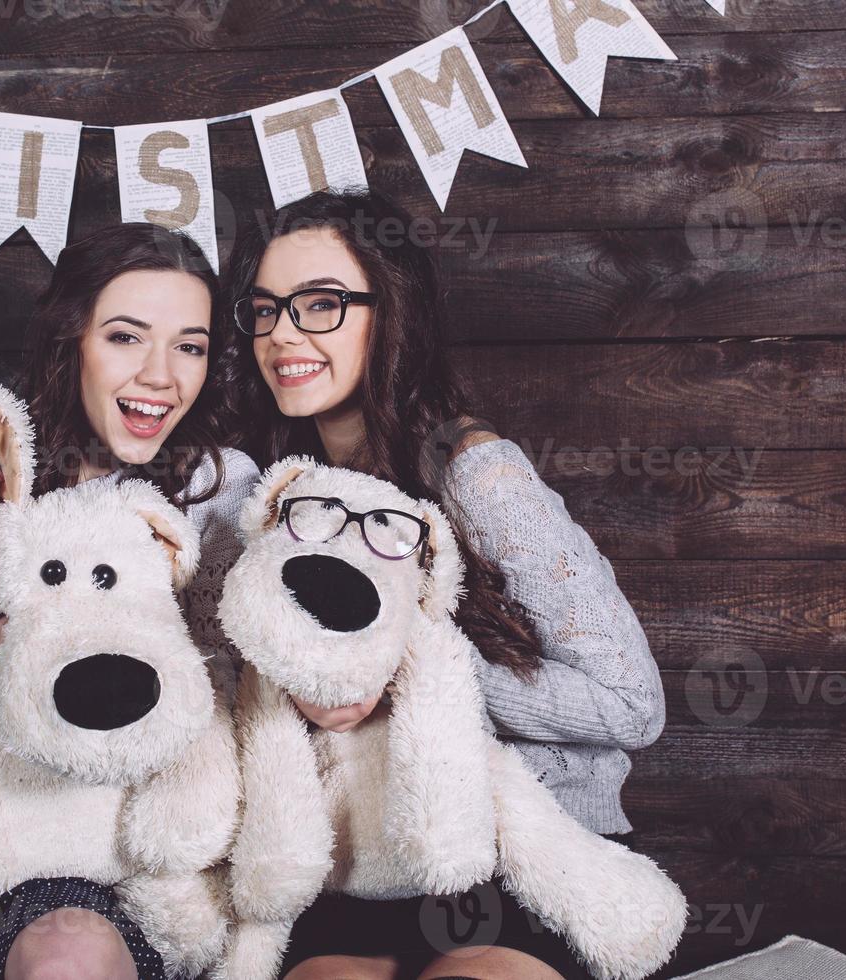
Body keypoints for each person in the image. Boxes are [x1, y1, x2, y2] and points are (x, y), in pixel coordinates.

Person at [217, 188, 666, 980]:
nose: (284, 333)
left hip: (523, 858)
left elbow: (632, 704)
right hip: (355, 869)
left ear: (391, 314)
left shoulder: (473, 473)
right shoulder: (272, 497)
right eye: (266, 309)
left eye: (321, 305)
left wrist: (409, 670)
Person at [0, 222, 259, 980]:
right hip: (32, 853)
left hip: (181, 851)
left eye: (189, 346)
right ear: (73, 341)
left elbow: (237, 712)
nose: (163, 376)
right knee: (68, 951)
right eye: (128, 337)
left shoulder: (222, 492)